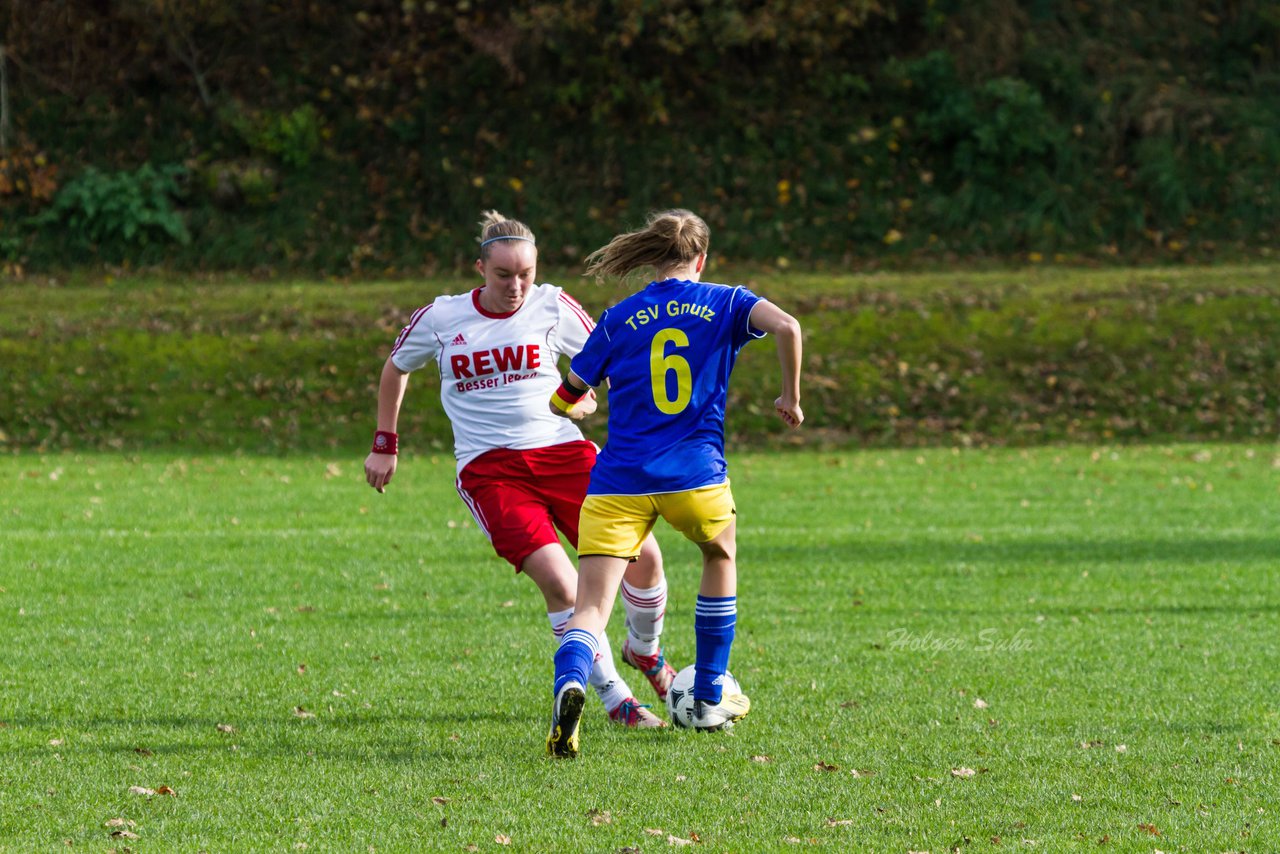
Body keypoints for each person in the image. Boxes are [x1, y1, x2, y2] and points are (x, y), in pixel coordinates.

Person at [364, 210, 677, 729]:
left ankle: (645, 653)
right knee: (562, 583)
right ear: (480, 270)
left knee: (643, 557)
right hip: (491, 472)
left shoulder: (553, 306)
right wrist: (385, 443)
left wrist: (587, 404)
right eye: (503, 275)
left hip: (565, 456)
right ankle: (616, 699)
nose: (515, 286)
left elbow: (608, 365)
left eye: (525, 275)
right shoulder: (441, 320)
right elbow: (396, 367)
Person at [544, 208, 804, 758]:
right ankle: (708, 691)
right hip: (695, 474)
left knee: (590, 607)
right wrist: (790, 397)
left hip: (620, 480)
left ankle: (569, 684)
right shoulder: (727, 301)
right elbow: (788, 326)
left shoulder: (618, 317)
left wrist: (576, 405)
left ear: (650, 258)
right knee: (719, 557)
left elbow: (565, 395)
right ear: (701, 259)